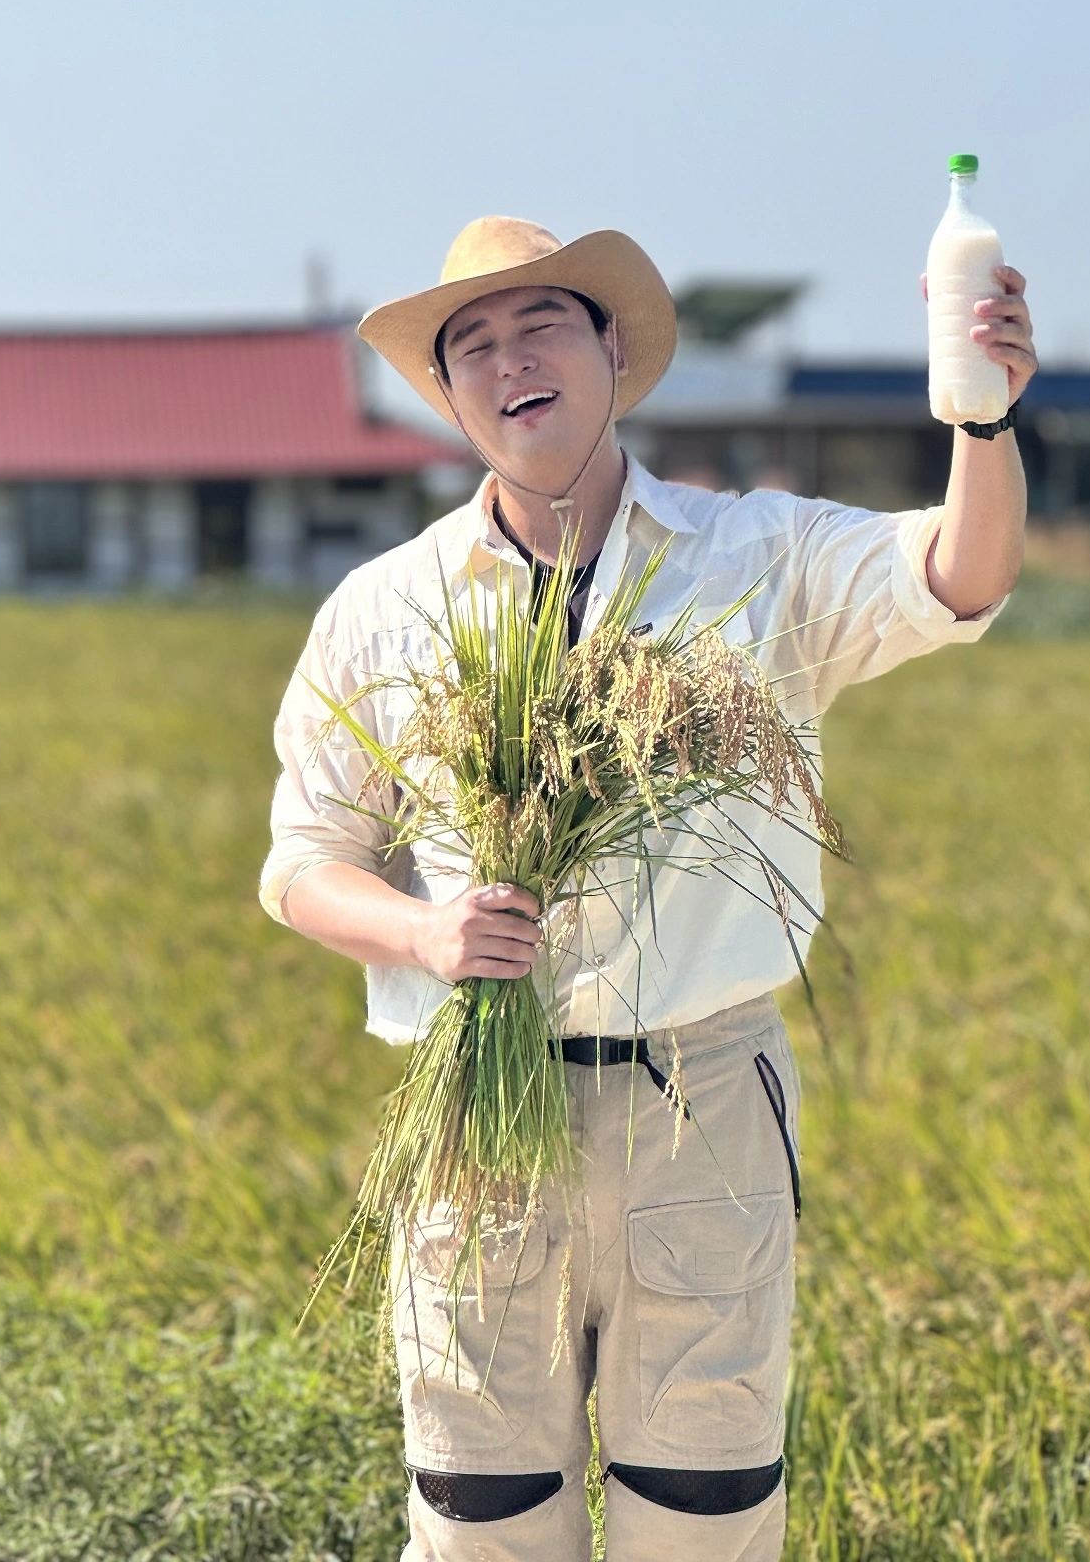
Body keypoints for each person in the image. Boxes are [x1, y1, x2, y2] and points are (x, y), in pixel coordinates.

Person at [260, 216, 1037, 1562]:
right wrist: (430, 933)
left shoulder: (756, 556)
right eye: (473, 346)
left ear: (614, 350)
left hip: (705, 1095)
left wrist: (983, 421)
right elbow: (302, 864)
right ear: (449, 396)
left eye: (543, 325)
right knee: (482, 1516)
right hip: (480, 1113)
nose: (512, 361)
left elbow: (957, 576)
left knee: (703, 1513)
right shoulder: (386, 607)